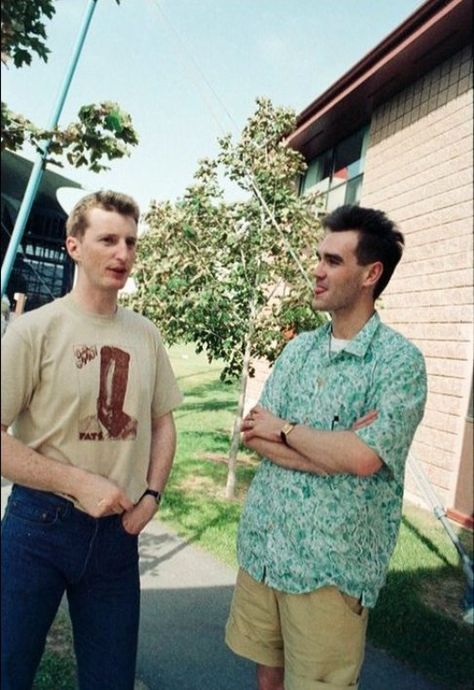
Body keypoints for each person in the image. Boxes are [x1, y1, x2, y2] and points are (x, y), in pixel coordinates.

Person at [225, 204, 427, 690]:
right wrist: (329, 448)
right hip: (266, 549)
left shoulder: (398, 363)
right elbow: (254, 432)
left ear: (370, 274)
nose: (316, 269)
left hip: (330, 570)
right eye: (319, 257)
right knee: (267, 675)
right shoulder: (300, 350)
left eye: (333, 261)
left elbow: (363, 458)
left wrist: (288, 430)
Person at [1, 190, 183, 690]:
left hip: (115, 540)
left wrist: (152, 495)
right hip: (37, 527)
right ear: (74, 246)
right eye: (107, 239)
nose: (122, 253)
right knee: (8, 668)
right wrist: (77, 481)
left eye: (130, 241)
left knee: (111, 679)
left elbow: (164, 422)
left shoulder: (146, 335)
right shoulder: (34, 331)